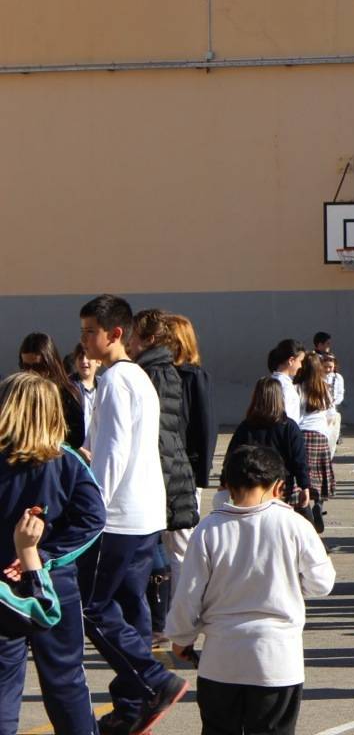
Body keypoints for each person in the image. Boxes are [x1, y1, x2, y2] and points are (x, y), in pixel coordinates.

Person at [166, 445, 336, 735]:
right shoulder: (295, 525)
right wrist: (292, 583)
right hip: (277, 659)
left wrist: (181, 638)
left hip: (221, 659)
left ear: (226, 486)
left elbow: (188, 595)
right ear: (279, 487)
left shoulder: (208, 529)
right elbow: (322, 583)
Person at [77, 294, 189, 733]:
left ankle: (151, 679)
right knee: (130, 607)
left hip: (118, 516)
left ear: (116, 333)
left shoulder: (116, 381)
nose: (85, 340)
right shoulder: (139, 377)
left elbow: (114, 452)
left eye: (91, 331)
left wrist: (92, 508)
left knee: (90, 608)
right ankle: (133, 705)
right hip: (144, 513)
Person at [0, 373, 106, 735]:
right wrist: (47, 555)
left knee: (3, 684)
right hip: (53, 585)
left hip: (4, 588)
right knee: (66, 680)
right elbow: (93, 519)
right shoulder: (67, 460)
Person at [129, 309, 200, 588]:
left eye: (133, 336)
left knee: (178, 554)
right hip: (171, 471)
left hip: (168, 474)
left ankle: (182, 609)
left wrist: (158, 483)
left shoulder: (155, 373)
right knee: (175, 552)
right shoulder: (158, 370)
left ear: (149, 339)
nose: (128, 343)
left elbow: (160, 435)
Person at [227, 378, 312, 511]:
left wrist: (225, 482)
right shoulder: (289, 427)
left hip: (250, 486)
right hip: (279, 486)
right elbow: (299, 460)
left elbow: (232, 456)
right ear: (279, 398)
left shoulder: (246, 426)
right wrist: (304, 486)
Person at [164, 314, 217, 501]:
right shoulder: (157, 374)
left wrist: (202, 473)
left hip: (187, 466)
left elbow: (206, 425)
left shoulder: (194, 376)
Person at [17, 333, 85, 450]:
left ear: (50, 364)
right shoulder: (18, 393)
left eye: (38, 367)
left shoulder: (67, 394)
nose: (31, 373)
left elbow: (76, 438)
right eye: (25, 367)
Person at [296, 352, 336, 531]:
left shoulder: (298, 388)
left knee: (304, 473)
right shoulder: (324, 388)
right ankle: (318, 503)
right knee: (320, 474)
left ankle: (305, 509)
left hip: (302, 434)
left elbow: (295, 414)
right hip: (320, 435)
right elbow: (331, 414)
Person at [269, 339, 306, 424]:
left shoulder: (276, 381)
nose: (301, 366)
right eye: (300, 361)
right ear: (291, 361)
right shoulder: (283, 385)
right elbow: (285, 415)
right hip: (285, 430)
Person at [68, 343, 100, 438]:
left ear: (98, 362)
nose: (84, 361)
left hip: (98, 442)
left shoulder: (103, 385)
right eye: (80, 358)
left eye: (88, 357)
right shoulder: (68, 387)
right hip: (76, 444)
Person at [321, 353, 345, 453]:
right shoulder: (319, 377)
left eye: (330, 367)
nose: (327, 369)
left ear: (334, 366)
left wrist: (334, 402)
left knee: (332, 434)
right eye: (325, 367)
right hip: (321, 410)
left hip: (332, 409)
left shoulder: (338, 377)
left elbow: (340, 393)